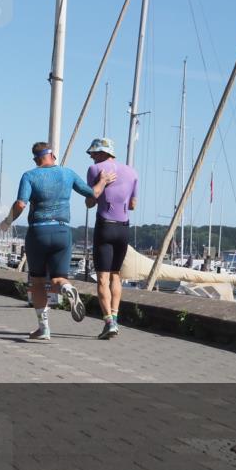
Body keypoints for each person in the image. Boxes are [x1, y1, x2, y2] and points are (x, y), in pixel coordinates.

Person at [0, 142, 114, 341]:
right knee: (58, 279)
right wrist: (103, 181)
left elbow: (20, 204)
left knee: (37, 282)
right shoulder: (68, 173)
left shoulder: (30, 176)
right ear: (52, 155)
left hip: (39, 232)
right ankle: (67, 288)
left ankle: (44, 328)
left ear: (36, 159)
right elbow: (93, 194)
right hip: (62, 231)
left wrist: (8, 221)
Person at [85, 138, 139, 339]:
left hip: (105, 226)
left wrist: (102, 185)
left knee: (102, 278)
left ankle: (108, 321)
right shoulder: (132, 172)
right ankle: (115, 318)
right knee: (116, 275)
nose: (91, 157)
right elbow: (133, 204)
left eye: (93, 153)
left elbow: (90, 202)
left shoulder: (95, 170)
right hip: (123, 228)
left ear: (101, 153)